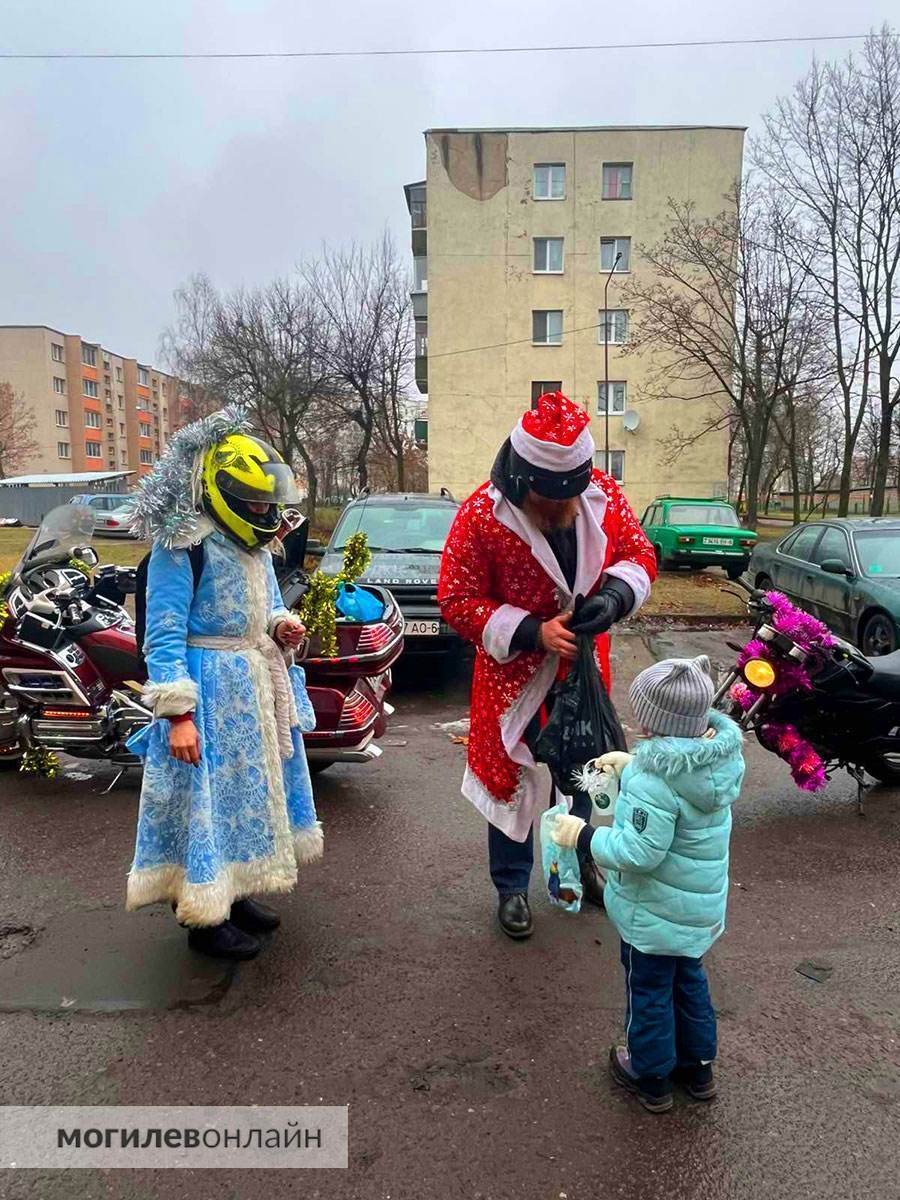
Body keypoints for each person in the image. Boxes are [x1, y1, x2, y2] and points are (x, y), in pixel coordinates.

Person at [438, 392, 657, 938]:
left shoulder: (602, 492)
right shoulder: (481, 515)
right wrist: (532, 631)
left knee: (582, 775)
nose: (564, 509)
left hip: (581, 673)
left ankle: (582, 863)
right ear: (521, 478)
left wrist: (614, 597)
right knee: (510, 784)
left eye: (571, 496)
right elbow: (456, 598)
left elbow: (639, 555)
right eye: (550, 498)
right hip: (512, 679)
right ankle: (511, 889)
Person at [125, 408, 322, 960]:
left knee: (242, 797)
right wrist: (178, 714)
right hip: (207, 691)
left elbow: (270, 602)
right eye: (254, 502)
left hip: (251, 690)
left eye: (268, 502)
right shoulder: (181, 545)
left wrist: (281, 624)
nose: (263, 511)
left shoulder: (254, 545)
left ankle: (233, 895)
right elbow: (162, 633)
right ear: (223, 491)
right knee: (202, 802)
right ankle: (202, 918)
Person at [551, 656, 744, 1112]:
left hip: (652, 915)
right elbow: (675, 780)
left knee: (649, 990)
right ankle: (698, 1070)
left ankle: (650, 1073)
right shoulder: (717, 764)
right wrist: (634, 763)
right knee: (689, 981)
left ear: (654, 719)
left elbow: (639, 854)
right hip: (697, 911)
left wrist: (584, 835)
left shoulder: (655, 779)